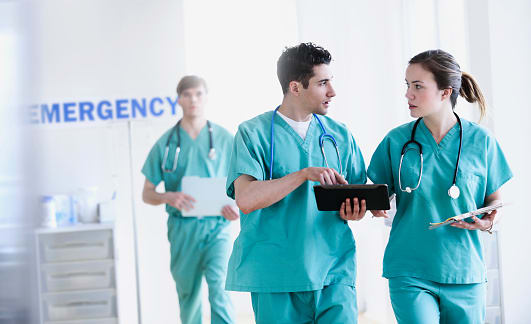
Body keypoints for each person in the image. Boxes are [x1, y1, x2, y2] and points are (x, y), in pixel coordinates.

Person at [225, 42, 367, 323]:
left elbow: (358, 191)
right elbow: (247, 199)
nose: (332, 92)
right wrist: (303, 174)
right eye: (322, 83)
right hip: (276, 275)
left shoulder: (339, 135)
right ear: (295, 87)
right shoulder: (253, 134)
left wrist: (356, 210)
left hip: (333, 269)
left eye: (331, 82)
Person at [368, 49, 513, 324]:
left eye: (418, 86)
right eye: (407, 85)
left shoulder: (481, 141)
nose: (408, 94)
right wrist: (374, 207)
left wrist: (489, 222)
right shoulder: (396, 140)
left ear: (445, 92)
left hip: (464, 271)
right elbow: (377, 195)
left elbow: (495, 201)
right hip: (409, 268)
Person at [141, 75, 237, 324]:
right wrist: (167, 196)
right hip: (183, 230)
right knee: (189, 296)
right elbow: (147, 193)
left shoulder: (226, 139)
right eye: (187, 95)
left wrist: (237, 206)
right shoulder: (166, 144)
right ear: (179, 99)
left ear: (206, 97)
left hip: (218, 227)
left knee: (221, 291)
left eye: (198, 94)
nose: (193, 99)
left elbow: (244, 184)